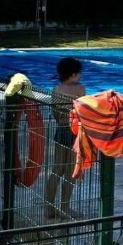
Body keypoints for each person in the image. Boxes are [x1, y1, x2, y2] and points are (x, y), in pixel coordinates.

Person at [45, 57, 85, 219]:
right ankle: (64, 208)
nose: (80, 76)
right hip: (74, 132)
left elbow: (55, 113)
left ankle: (48, 208)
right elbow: (82, 113)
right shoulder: (80, 89)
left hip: (61, 130)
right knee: (70, 172)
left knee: (57, 169)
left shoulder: (56, 89)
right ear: (73, 74)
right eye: (79, 73)